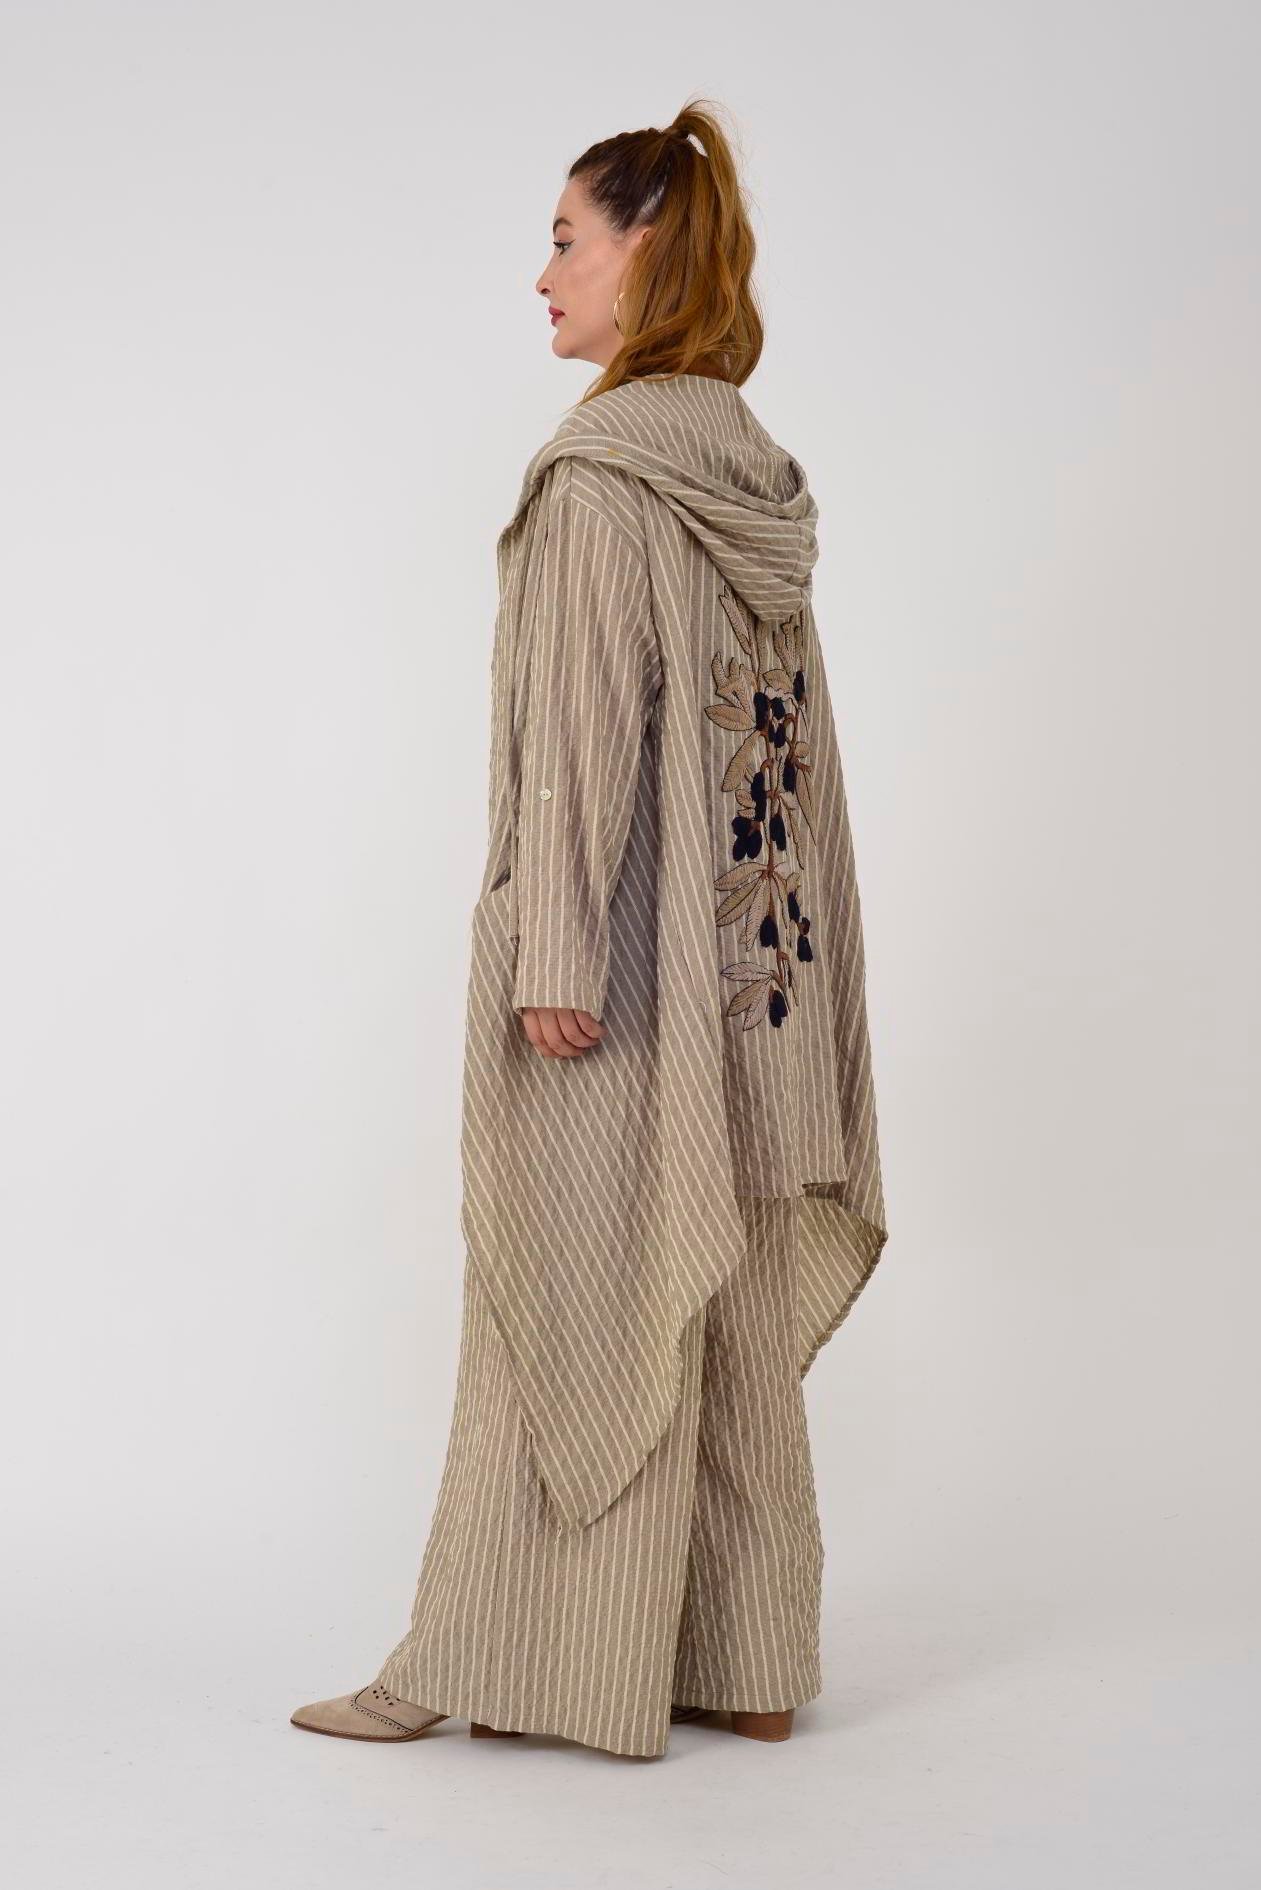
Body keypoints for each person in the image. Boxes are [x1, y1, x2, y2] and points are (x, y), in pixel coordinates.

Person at [290, 97, 888, 1762]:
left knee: (554, 1294)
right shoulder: (747, 475)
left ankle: (487, 1657)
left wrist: (554, 953)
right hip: (764, 983)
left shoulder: (604, 480)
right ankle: (752, 1663)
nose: (542, 272)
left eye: (566, 238)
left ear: (648, 255)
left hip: (626, 977)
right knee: (731, 1316)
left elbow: (578, 740)